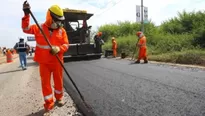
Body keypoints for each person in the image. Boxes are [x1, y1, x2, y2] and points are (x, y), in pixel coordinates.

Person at [22, 1, 69, 115]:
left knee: (58, 81)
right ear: (50, 17)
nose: (59, 23)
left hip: (57, 61)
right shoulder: (39, 28)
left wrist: (59, 49)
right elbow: (26, 28)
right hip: (44, 63)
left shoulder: (62, 31)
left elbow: (66, 44)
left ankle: (59, 98)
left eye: (60, 21)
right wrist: (26, 15)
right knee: (46, 84)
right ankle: (49, 103)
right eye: (57, 20)